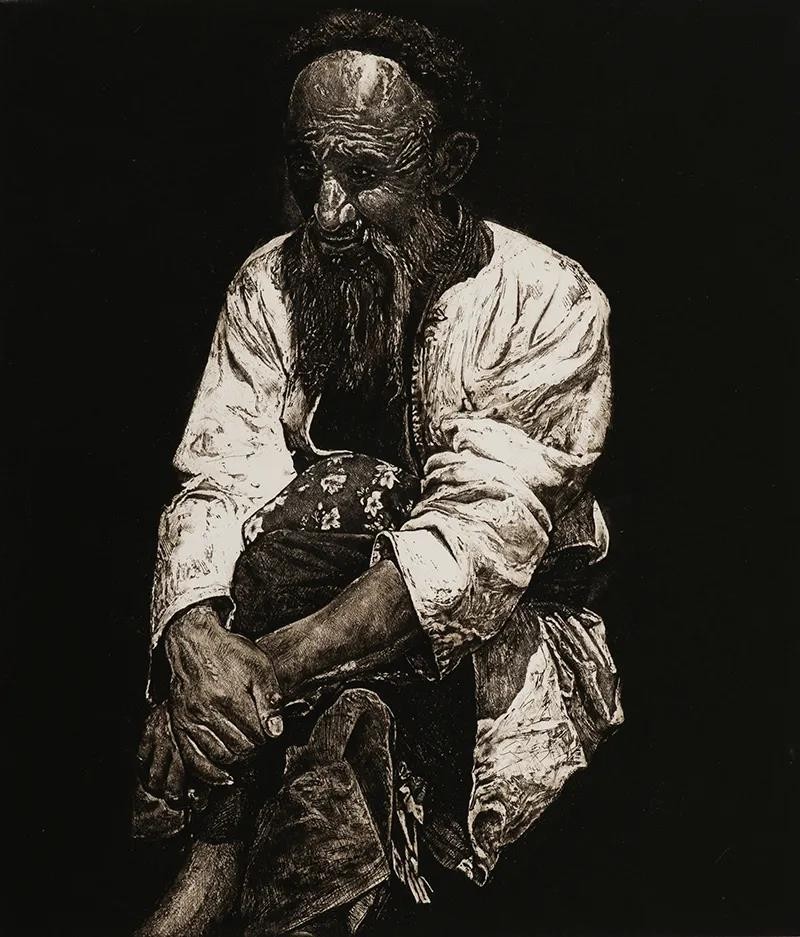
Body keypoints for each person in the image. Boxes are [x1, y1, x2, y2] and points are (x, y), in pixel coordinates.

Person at [133, 10, 623, 937]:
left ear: (446, 164)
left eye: (362, 175)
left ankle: (212, 860)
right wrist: (193, 641)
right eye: (305, 170)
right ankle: (218, 858)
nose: (326, 212)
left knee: (349, 518)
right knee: (318, 566)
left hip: (482, 648)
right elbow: (219, 481)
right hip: (275, 648)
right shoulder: (269, 284)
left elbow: (472, 543)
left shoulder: (549, 300)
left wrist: (243, 682)